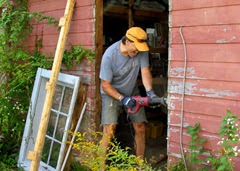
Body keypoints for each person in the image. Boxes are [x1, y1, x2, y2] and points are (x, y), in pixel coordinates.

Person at [99, 27, 161, 161]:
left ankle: (140, 165)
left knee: (140, 127)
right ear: (127, 42)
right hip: (111, 92)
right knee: (109, 131)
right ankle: (100, 167)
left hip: (131, 90)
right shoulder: (110, 55)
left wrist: (150, 92)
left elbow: (145, 71)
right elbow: (105, 85)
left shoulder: (141, 50)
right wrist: (122, 99)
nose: (137, 51)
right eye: (135, 48)